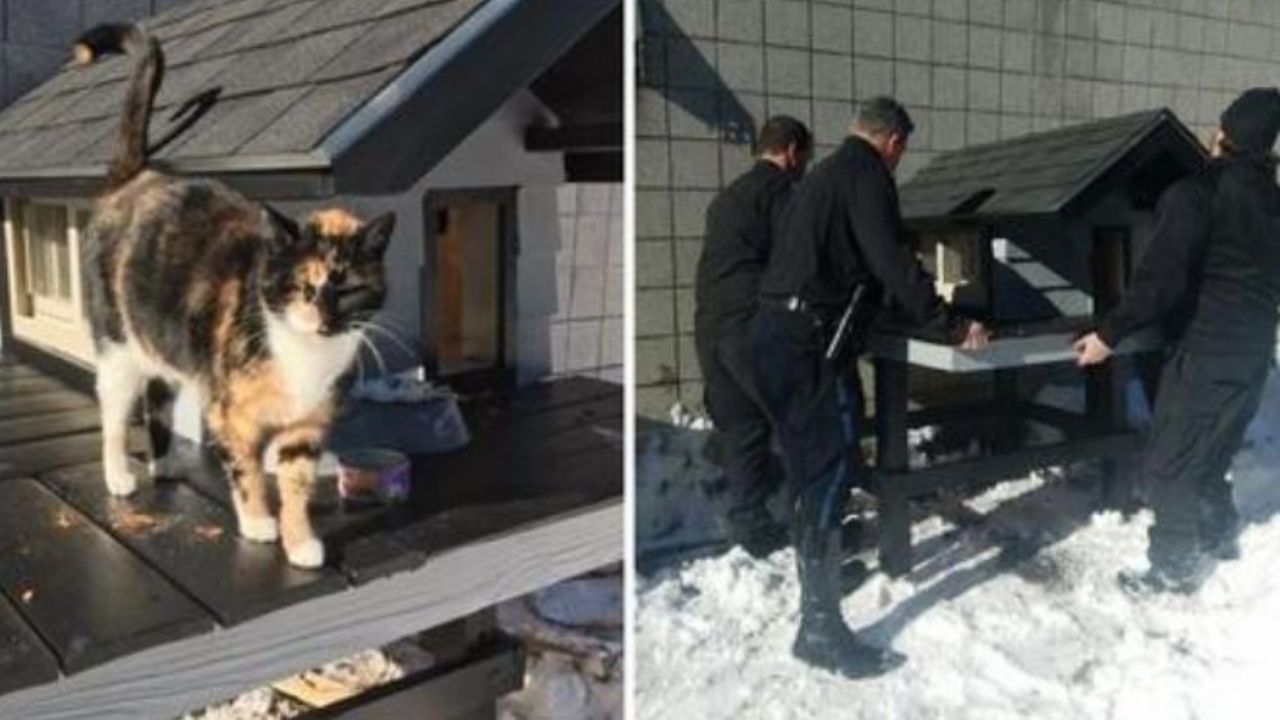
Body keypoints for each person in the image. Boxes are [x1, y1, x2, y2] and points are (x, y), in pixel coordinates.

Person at [751, 96, 990, 677]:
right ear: (894, 143)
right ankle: (819, 629)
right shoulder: (866, 176)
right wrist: (951, 323)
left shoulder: (824, 177)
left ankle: (820, 594)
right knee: (831, 473)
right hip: (810, 346)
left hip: (774, 335)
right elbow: (890, 260)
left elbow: (845, 262)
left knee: (814, 472)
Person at [1075, 87, 1280, 595]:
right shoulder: (1272, 201)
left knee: (1170, 463)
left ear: (1222, 135)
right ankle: (1219, 531)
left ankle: (1175, 565)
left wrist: (1107, 333)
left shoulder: (1196, 194)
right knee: (1212, 449)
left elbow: (1158, 281)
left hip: (1206, 352)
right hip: (1253, 354)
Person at [695, 116, 812, 557]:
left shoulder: (726, 198)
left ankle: (751, 523)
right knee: (800, 422)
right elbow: (796, 264)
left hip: (710, 325)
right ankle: (813, 527)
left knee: (742, 426)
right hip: (751, 325)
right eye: (805, 158)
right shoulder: (783, 194)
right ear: (792, 152)